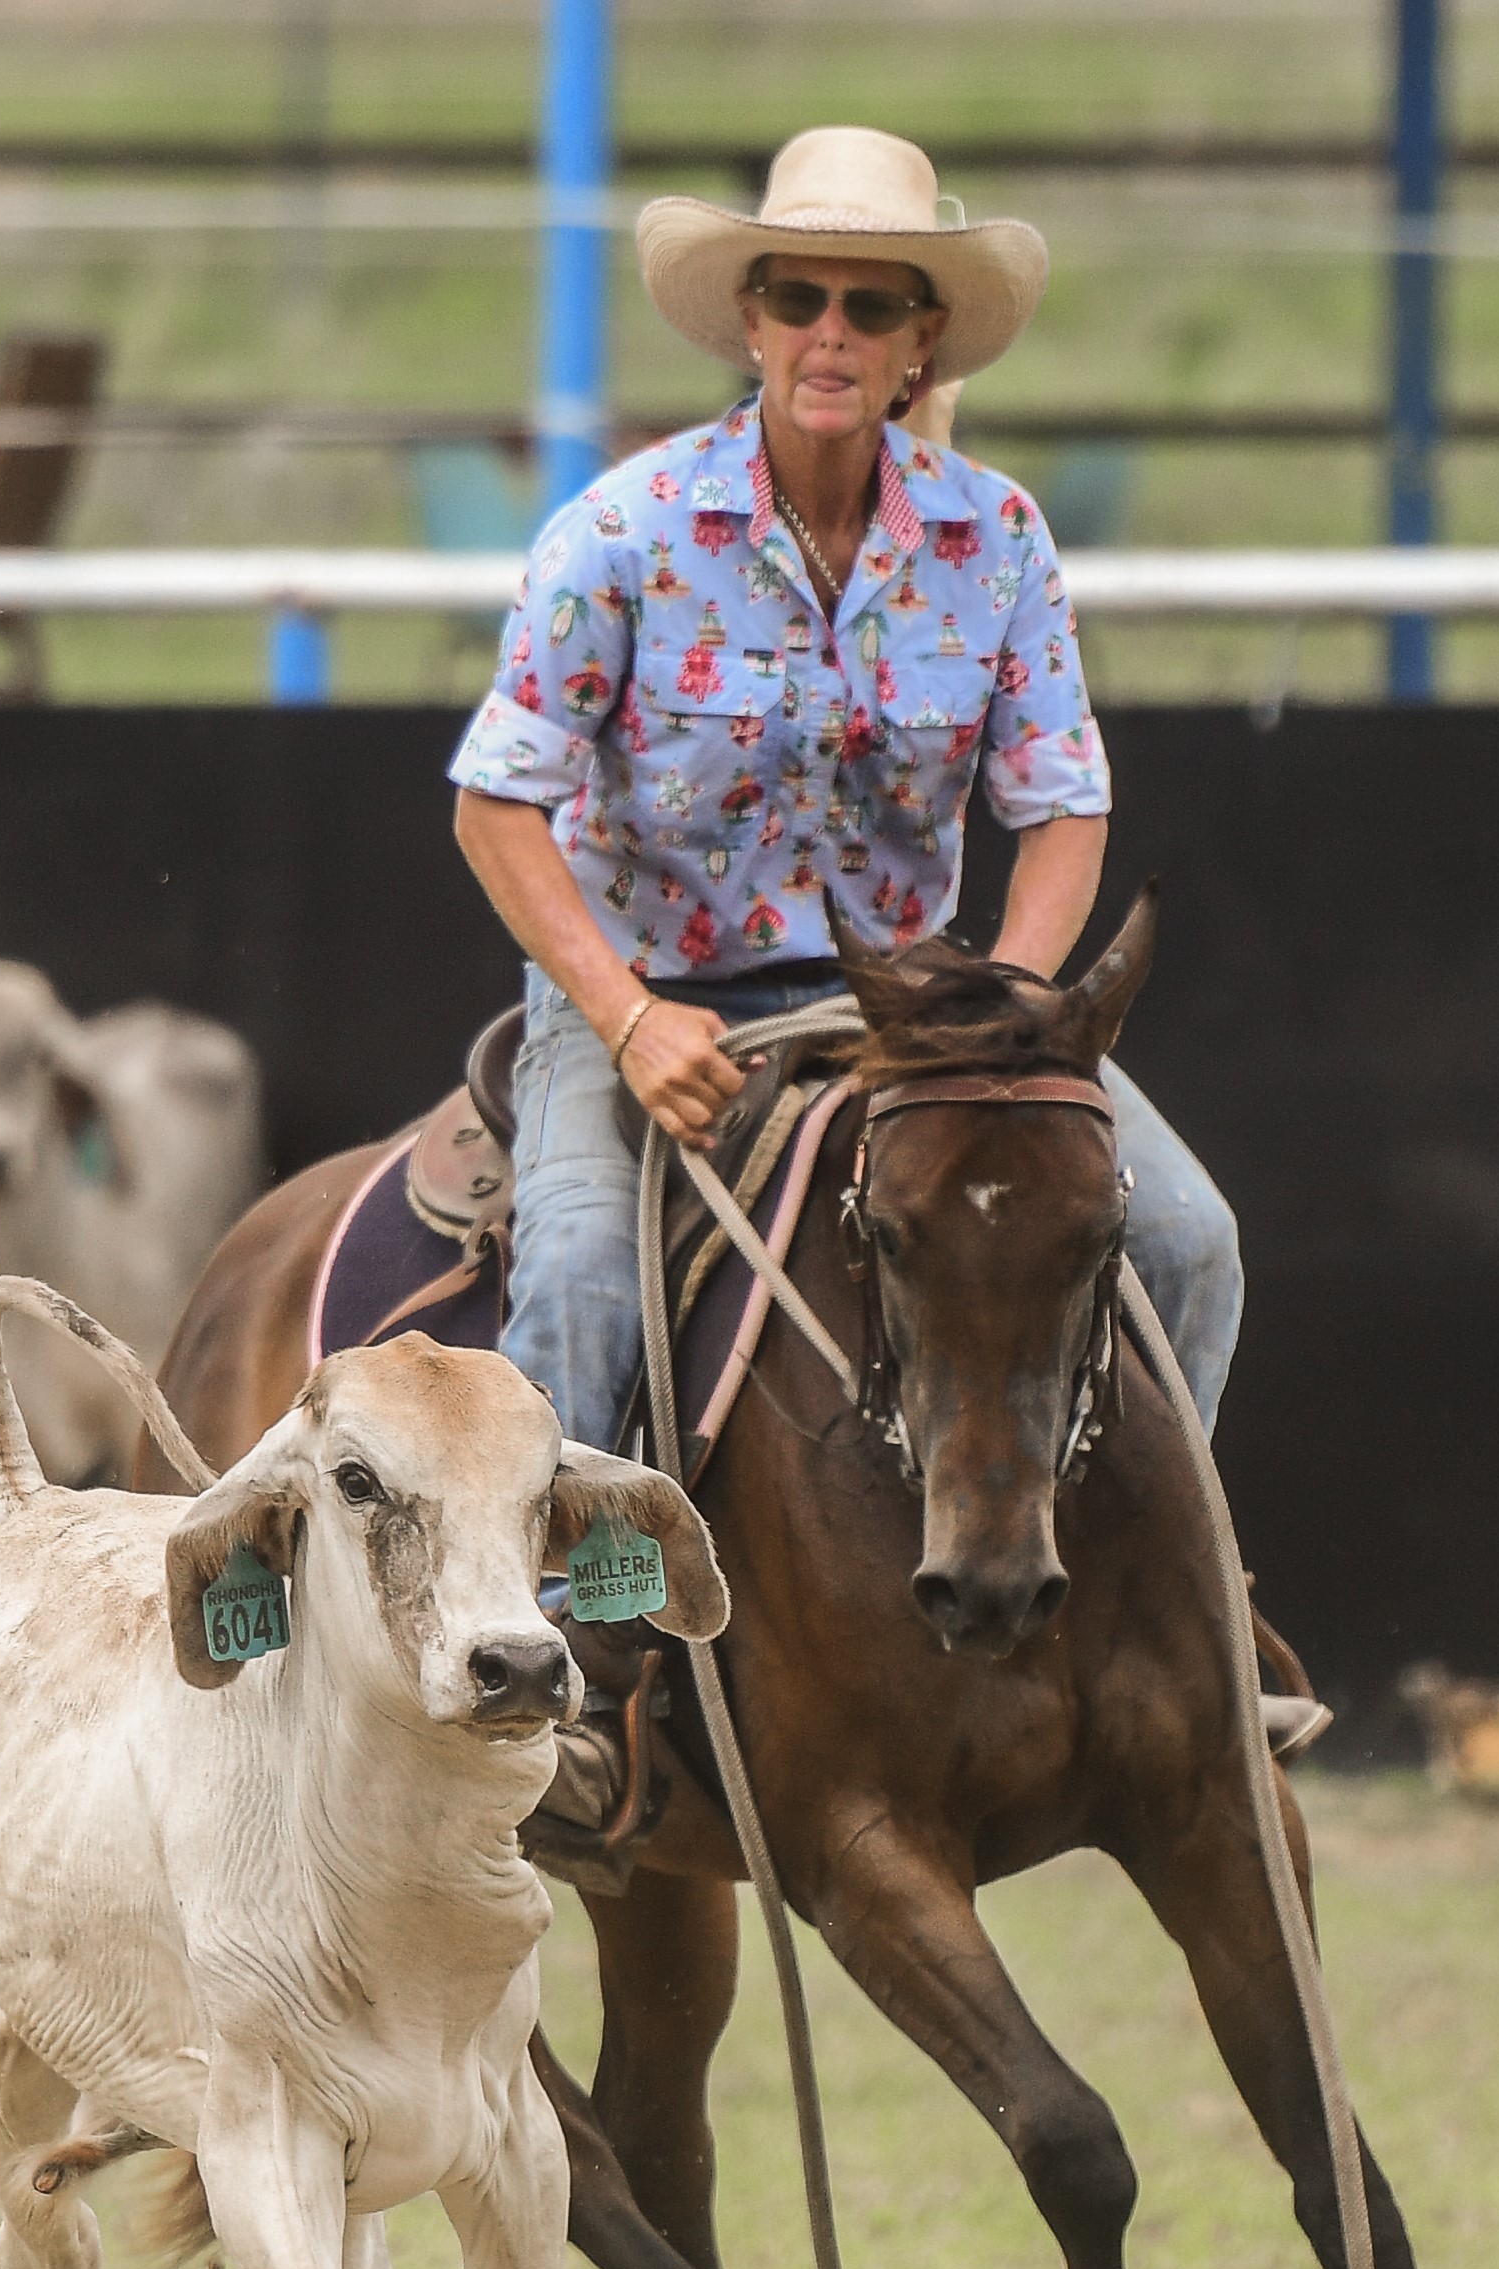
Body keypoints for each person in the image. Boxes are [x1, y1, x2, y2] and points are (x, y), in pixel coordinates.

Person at [449, 126, 1257, 1844]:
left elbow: (1063, 806)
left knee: (1190, 1240)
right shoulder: (623, 530)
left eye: (870, 305)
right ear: (750, 322)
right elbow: (495, 804)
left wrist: (1008, 1012)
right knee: (579, 1279)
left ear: (918, 344)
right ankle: (569, 1681)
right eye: (800, 297)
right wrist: (626, 1018)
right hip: (654, 991)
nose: (831, 331)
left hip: (920, 1003)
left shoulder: (997, 537)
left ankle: (1159, 1603)